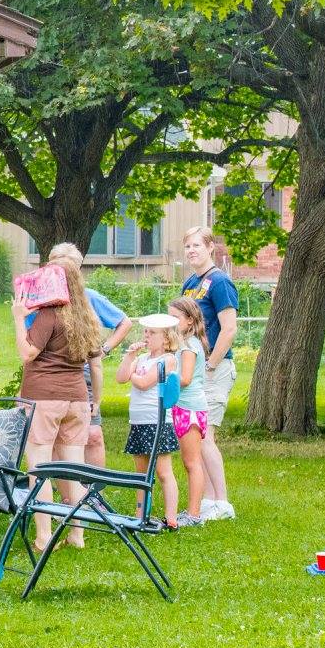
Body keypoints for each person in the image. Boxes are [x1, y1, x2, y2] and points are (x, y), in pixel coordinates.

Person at [11, 258, 108, 553]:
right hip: (77, 399)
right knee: (73, 468)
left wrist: (18, 317)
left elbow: (28, 353)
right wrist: (96, 400)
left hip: (44, 398)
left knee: (39, 469)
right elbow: (95, 359)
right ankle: (77, 534)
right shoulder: (85, 317)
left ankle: (44, 536)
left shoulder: (49, 315)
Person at [43, 242, 134, 469]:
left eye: (70, 267)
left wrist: (104, 350)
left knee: (93, 434)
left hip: (83, 377)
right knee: (55, 437)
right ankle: (66, 495)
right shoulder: (43, 300)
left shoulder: (88, 297)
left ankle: (94, 495)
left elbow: (124, 322)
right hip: (51, 377)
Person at [179, 226, 238, 519]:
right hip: (194, 369)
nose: (191, 251)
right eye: (187, 246)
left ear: (210, 247)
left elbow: (229, 328)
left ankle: (222, 502)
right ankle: (206, 500)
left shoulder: (220, 282)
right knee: (195, 434)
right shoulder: (190, 283)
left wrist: (211, 365)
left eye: (197, 246)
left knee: (206, 435)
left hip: (215, 367)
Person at [117, 319, 186, 530]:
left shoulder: (168, 359)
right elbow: (121, 377)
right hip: (138, 420)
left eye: (152, 333)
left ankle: (171, 517)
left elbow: (146, 383)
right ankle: (141, 515)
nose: (146, 336)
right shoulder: (142, 358)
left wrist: (134, 375)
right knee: (141, 473)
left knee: (163, 471)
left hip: (156, 420)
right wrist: (129, 357)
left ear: (166, 338)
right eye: (145, 332)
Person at [167, 298, 213, 527]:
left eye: (175, 318)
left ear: (189, 321)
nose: (171, 322)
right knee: (189, 461)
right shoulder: (183, 343)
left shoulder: (189, 346)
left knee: (192, 462)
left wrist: (162, 377)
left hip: (190, 408)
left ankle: (194, 514)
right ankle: (191, 511)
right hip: (182, 406)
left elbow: (184, 379)